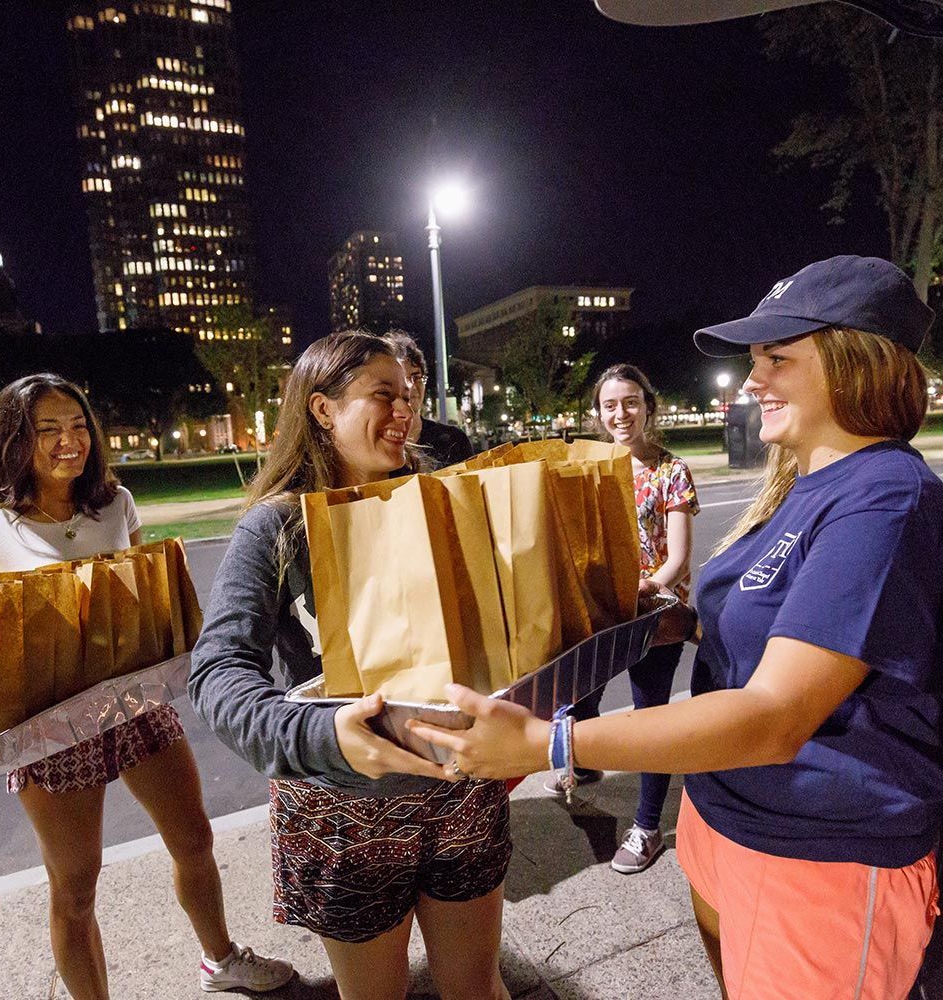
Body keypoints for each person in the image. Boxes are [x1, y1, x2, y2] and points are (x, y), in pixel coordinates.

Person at [409, 256, 942, 1000]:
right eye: (755, 358)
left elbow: (776, 716)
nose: (752, 381)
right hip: (726, 818)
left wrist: (548, 743)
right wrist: (665, 622)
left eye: (777, 357)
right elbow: (760, 627)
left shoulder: (886, 495)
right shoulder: (804, 484)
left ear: (858, 364)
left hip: (823, 852)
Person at [0, 374, 292, 1000]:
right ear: (12, 441)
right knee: (75, 886)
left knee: (193, 837)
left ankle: (220, 960)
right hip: (47, 728)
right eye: (46, 430)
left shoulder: (115, 504)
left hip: (132, 706)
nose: (68, 442)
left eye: (77, 426)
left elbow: (140, 604)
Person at [188, 332, 512, 1000]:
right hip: (344, 817)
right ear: (323, 410)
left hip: (461, 792)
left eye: (411, 395)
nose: (405, 411)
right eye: (382, 395)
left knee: (476, 986)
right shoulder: (274, 528)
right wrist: (325, 735)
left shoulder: (438, 499)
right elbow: (218, 674)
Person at [549, 364, 698, 878]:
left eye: (631, 402)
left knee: (650, 715)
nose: (621, 414)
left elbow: (677, 557)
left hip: (653, 616)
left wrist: (647, 586)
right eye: (610, 405)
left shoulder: (669, 470)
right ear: (598, 413)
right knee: (580, 692)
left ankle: (649, 825)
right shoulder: (589, 467)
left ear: (648, 407)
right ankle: (587, 761)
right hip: (602, 612)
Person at [382, 330, 474, 468]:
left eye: (416, 377)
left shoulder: (454, 440)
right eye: (401, 378)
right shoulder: (378, 448)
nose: (411, 386)